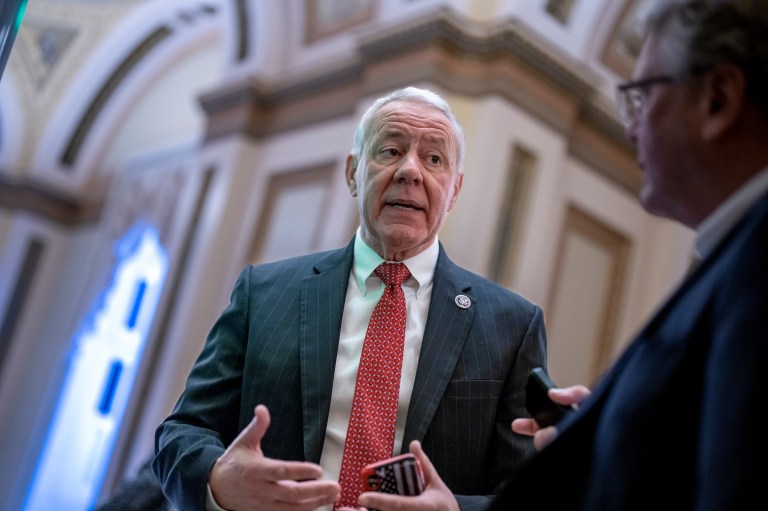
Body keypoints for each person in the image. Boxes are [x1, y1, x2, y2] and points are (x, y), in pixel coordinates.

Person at [342, 1, 768, 510]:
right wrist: (616, 427)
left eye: (639, 97)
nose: (630, 128)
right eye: (390, 151)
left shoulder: (759, 270)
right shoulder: (733, 254)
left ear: (718, 98)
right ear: (354, 172)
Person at [152, 86, 548, 511]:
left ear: (454, 191)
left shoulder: (510, 327)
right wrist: (217, 478)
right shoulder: (263, 294)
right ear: (352, 173)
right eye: (391, 151)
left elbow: (531, 494)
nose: (411, 171)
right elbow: (183, 431)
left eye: (434, 159)